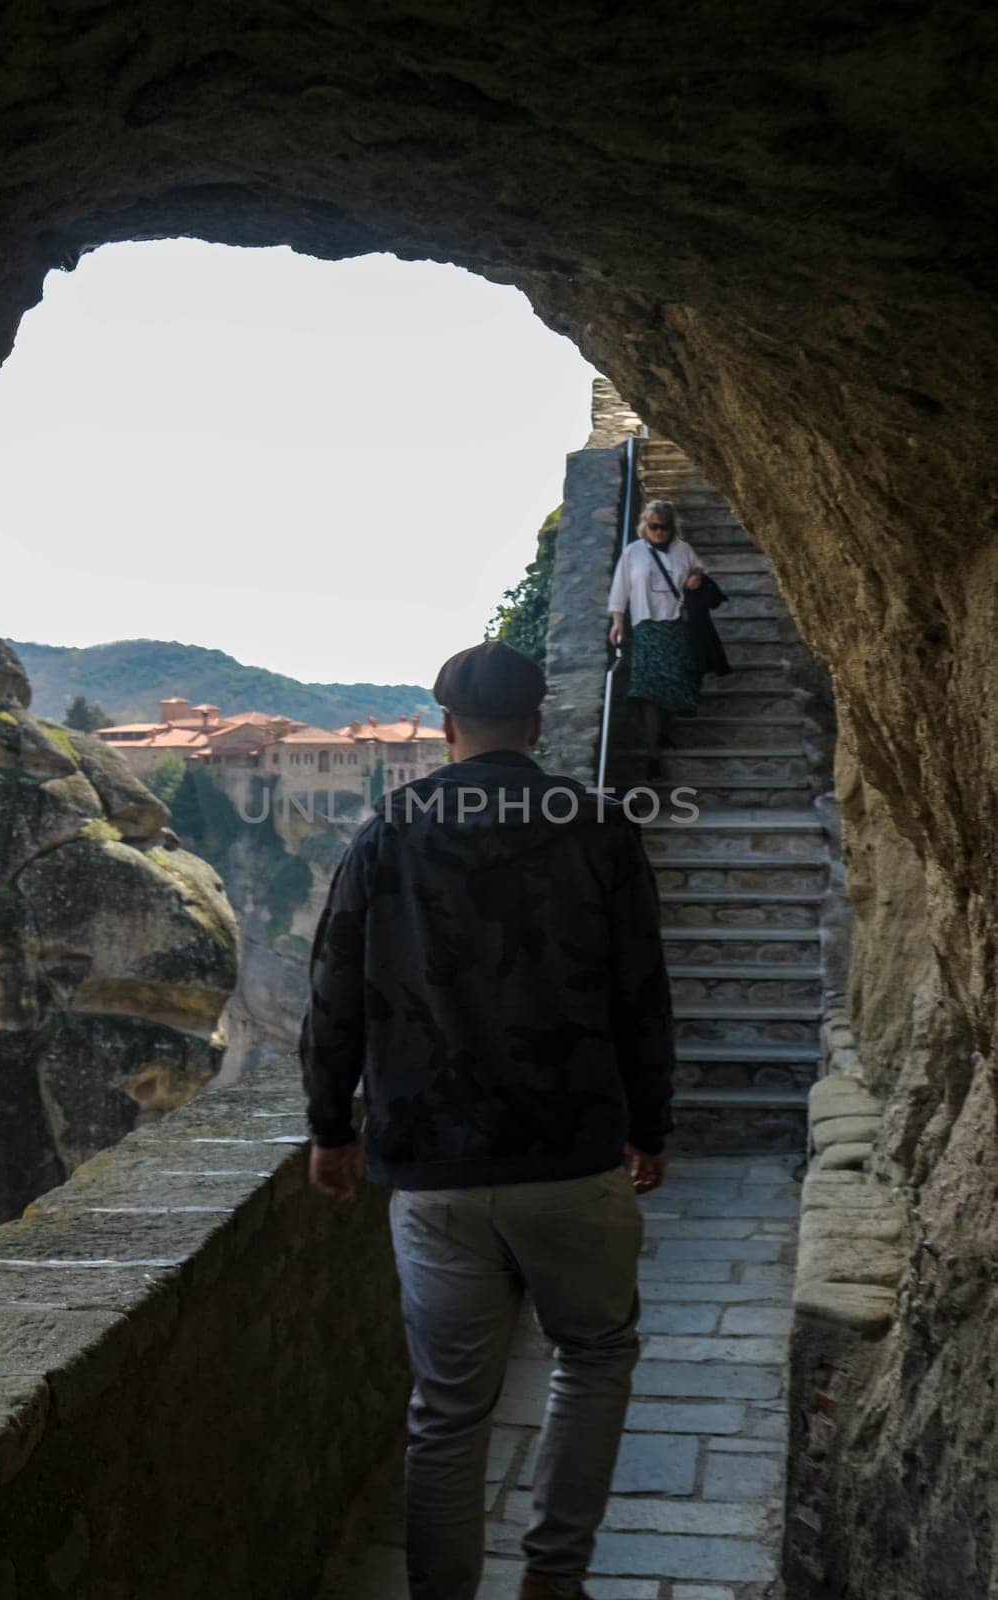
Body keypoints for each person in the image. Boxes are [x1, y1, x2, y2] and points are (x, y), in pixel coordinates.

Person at [300, 640, 676, 1600]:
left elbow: (335, 991)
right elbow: (642, 992)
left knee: (447, 1409)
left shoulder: (389, 831)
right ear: (538, 723)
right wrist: (651, 1123)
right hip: (571, 1151)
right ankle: (553, 1577)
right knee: (592, 1358)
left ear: (445, 725)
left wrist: (330, 1131)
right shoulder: (596, 826)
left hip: (432, 1163)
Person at [607, 499, 705, 779]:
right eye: (654, 527)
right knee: (647, 691)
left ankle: (664, 732)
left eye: (664, 527)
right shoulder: (633, 552)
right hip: (646, 627)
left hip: (676, 625)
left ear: (672, 527)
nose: (659, 532)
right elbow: (620, 587)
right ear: (644, 527)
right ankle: (653, 753)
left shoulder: (683, 550)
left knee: (675, 683)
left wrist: (695, 578)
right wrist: (617, 622)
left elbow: (699, 570)